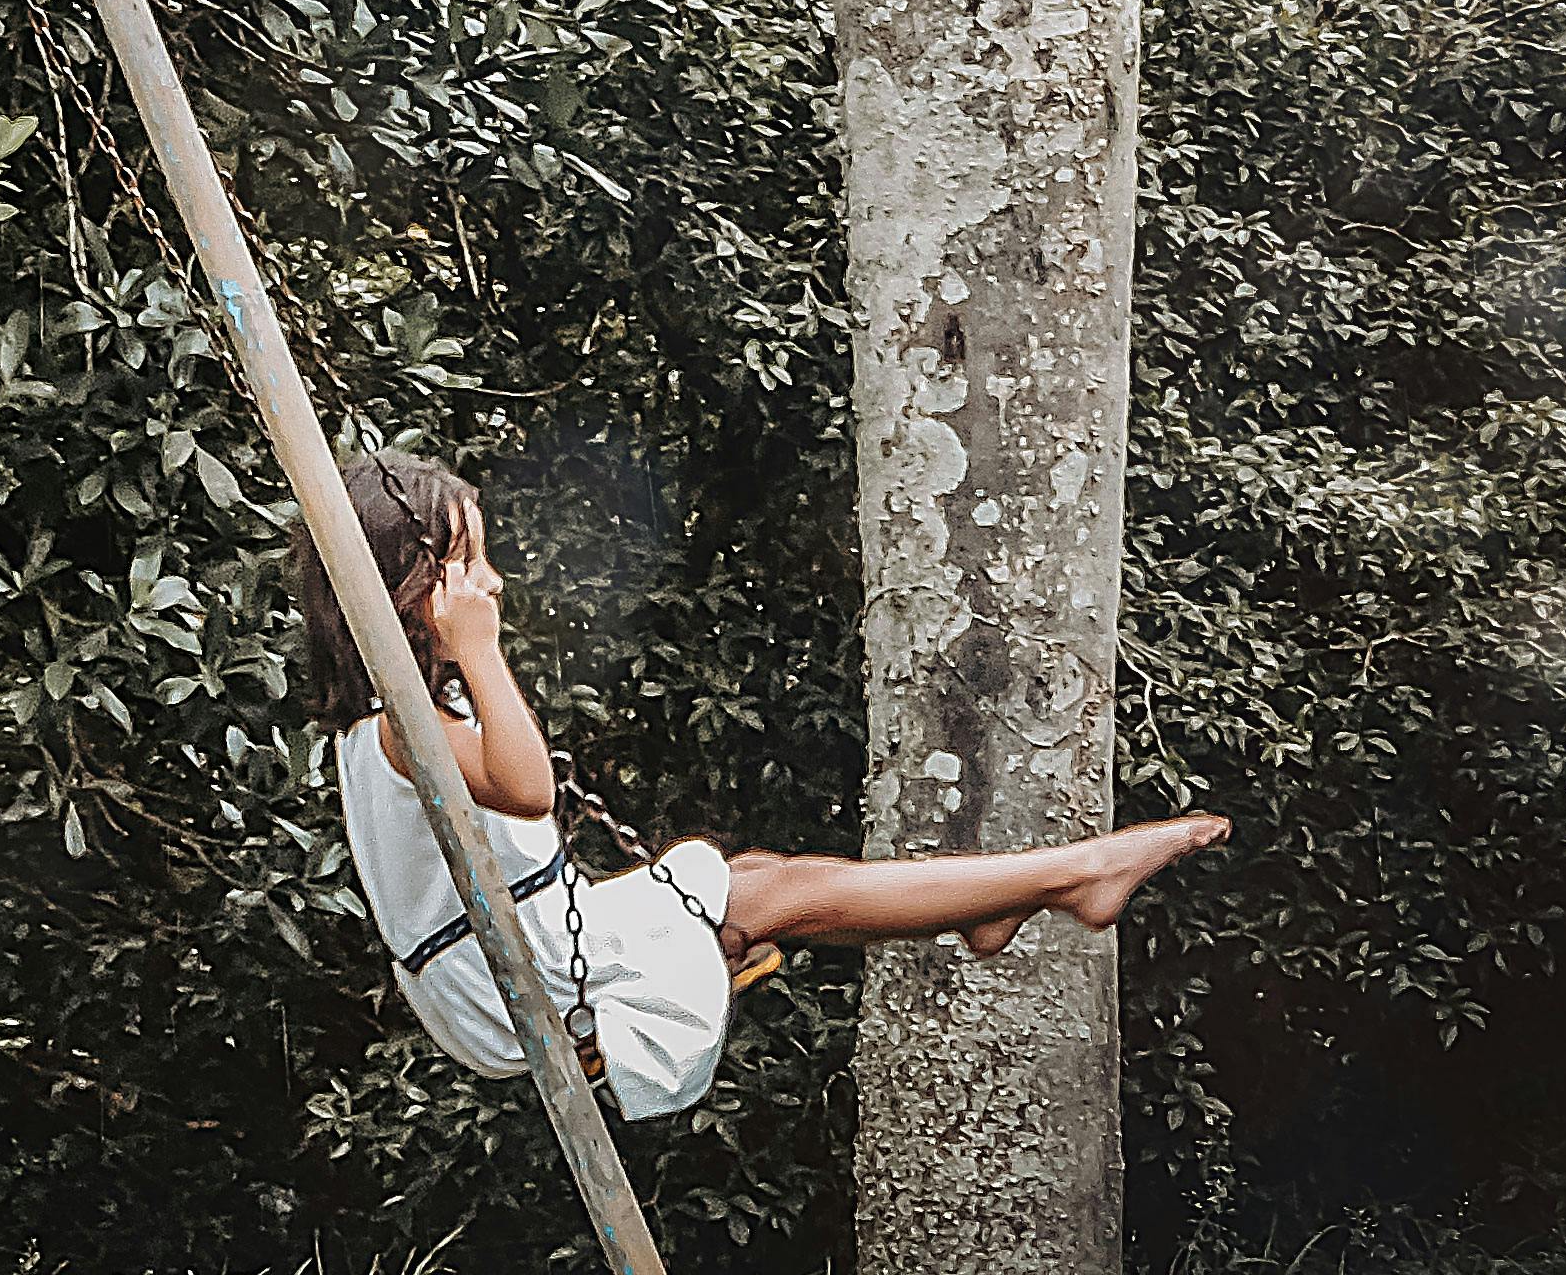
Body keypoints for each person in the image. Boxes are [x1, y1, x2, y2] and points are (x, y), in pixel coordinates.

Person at [298, 447, 1226, 1120]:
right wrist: (481, 652)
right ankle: (1064, 875)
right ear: (412, 582)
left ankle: (1011, 894)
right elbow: (531, 787)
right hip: (516, 983)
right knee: (772, 890)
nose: (493, 584)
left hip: (502, 967)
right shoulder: (401, 729)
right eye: (470, 564)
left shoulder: (386, 721)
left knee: (766, 879)